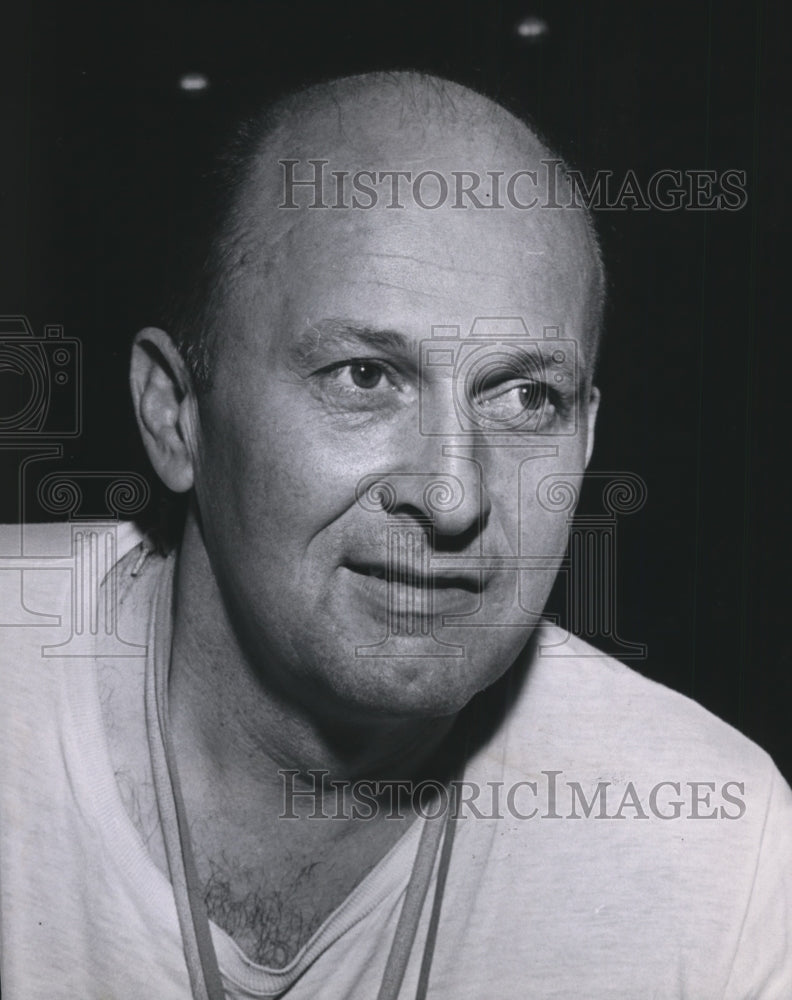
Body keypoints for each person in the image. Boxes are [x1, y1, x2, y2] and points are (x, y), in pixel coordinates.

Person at [1, 71, 790, 999]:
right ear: (176, 413)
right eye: (365, 377)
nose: (454, 496)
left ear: (587, 439)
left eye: (527, 396)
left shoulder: (718, 852)